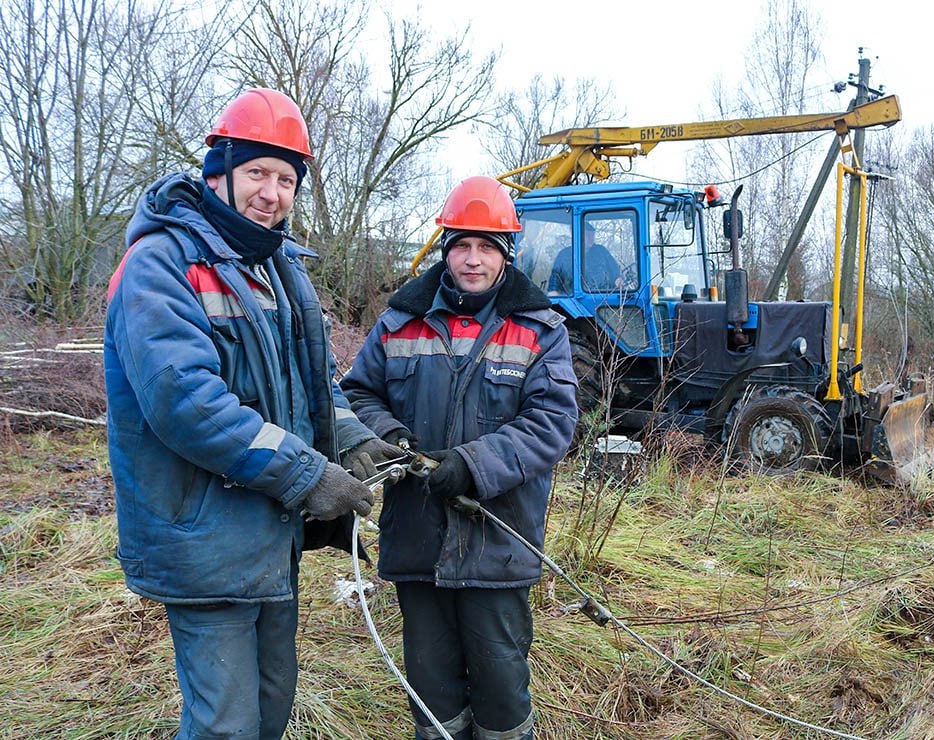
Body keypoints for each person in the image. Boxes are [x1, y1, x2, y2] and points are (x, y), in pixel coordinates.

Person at [103, 88, 404, 739]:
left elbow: (314, 381)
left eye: (286, 179)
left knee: (270, 711)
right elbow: (187, 403)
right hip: (204, 537)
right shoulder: (161, 264)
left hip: (270, 537)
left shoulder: (281, 269)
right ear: (220, 173)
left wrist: (350, 436)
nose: (271, 193)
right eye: (257, 174)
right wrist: (306, 474)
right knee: (226, 726)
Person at [340, 176, 579, 740]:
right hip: (416, 540)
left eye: (487, 247)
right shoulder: (400, 320)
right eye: (462, 245)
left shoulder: (541, 330)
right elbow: (355, 394)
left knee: (501, 690)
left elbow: (553, 423)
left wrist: (473, 464)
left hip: (498, 541)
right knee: (432, 690)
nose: (473, 260)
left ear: (506, 254)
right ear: (446, 248)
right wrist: (388, 435)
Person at [547, 221, 622, 293]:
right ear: (578, 235)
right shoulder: (564, 255)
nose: (591, 238)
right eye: (587, 235)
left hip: (603, 297)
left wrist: (618, 279)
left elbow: (615, 271)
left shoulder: (601, 251)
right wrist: (553, 294)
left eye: (592, 235)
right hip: (574, 299)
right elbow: (555, 281)